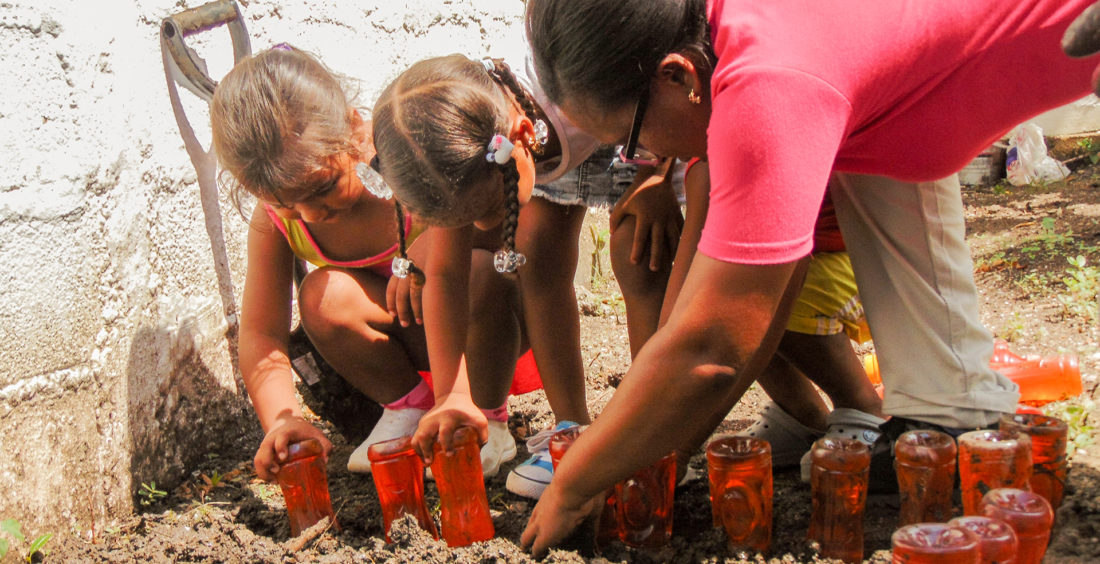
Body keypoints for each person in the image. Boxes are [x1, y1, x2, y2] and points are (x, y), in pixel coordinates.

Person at [518, 0, 1098, 555]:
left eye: (633, 139)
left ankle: (946, 400)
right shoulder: (739, 31)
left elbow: (715, 344)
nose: (639, 156)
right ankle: (947, 404)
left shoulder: (770, 75)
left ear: (678, 77)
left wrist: (580, 479)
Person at [371, 51, 683, 498]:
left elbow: (654, 70)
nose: (483, 229)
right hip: (544, 153)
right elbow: (444, 277)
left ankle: (656, 432)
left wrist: (658, 173)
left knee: (637, 253)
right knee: (537, 256)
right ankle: (571, 427)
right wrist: (451, 395)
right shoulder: (462, 149)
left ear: (516, 137)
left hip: (641, 138)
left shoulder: (576, 87)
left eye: (488, 210)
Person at [209, 45, 527, 482]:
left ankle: (489, 418)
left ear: (355, 130)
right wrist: (282, 417)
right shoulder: (274, 225)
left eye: (324, 187)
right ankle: (409, 409)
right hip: (410, 341)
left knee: (475, 271)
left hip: (484, 336)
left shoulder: (408, 160)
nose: (310, 214)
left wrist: (424, 255)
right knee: (322, 297)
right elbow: (262, 332)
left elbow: (494, 227)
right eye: (285, 203)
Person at [670, 159, 884, 470]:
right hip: (819, 260)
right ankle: (802, 415)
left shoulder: (716, 164)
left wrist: (678, 448)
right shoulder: (702, 157)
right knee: (738, 291)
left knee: (748, 298)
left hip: (866, 267)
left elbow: (695, 320)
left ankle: (864, 409)